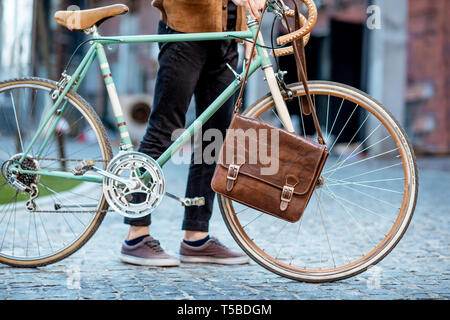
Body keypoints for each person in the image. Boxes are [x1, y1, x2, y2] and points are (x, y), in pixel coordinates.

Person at [119, 0, 266, 267]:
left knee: (214, 138)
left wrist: (249, 31)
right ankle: (135, 235)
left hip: (226, 35)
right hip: (185, 31)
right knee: (164, 129)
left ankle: (196, 236)